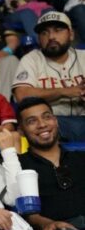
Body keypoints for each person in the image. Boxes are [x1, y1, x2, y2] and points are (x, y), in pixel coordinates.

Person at [16, 97, 85, 230]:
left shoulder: (80, 158)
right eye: (32, 121)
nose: (42, 124)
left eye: (47, 117)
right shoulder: (18, 165)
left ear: (55, 121)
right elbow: (24, 213)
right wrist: (48, 223)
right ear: (21, 130)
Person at [12, 11, 85, 141]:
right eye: (44, 33)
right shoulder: (31, 59)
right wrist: (65, 91)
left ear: (71, 34)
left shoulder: (83, 57)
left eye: (58, 30)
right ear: (39, 39)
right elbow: (22, 95)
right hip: (51, 123)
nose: (51, 36)